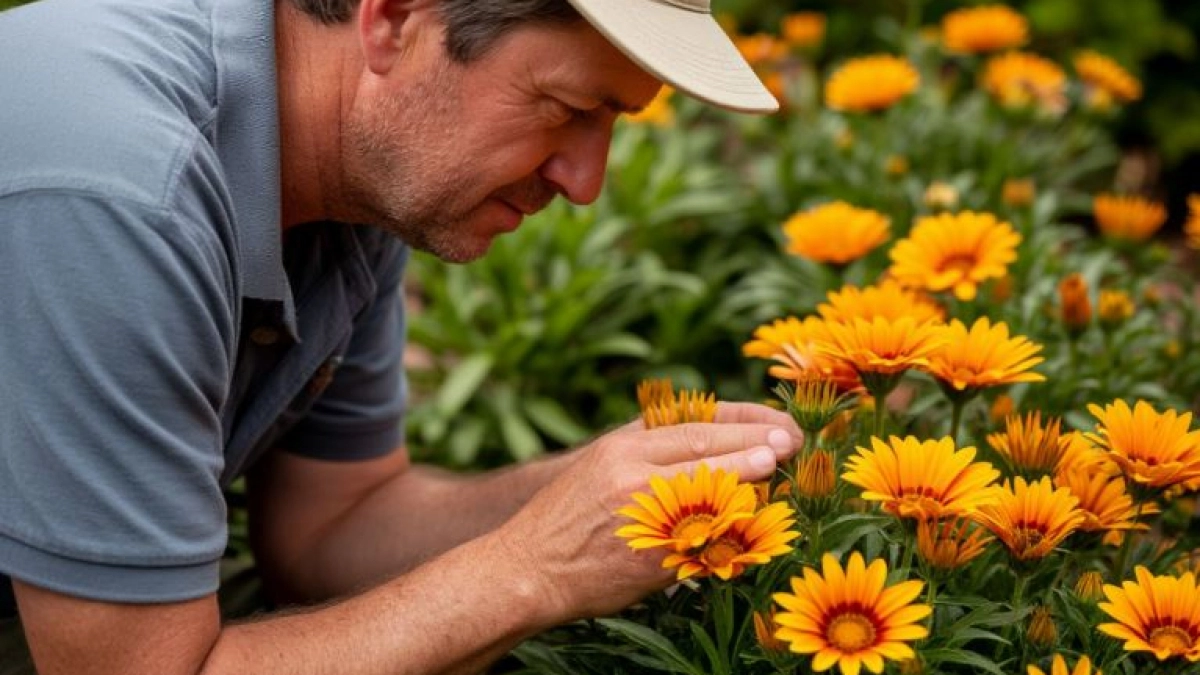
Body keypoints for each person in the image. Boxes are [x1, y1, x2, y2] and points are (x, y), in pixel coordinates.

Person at [0, 0, 797, 673]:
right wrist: (537, 566)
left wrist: (594, 491)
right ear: (394, 20)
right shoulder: (122, 189)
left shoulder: (356, 172)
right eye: (567, 108)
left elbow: (329, 525)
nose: (585, 184)